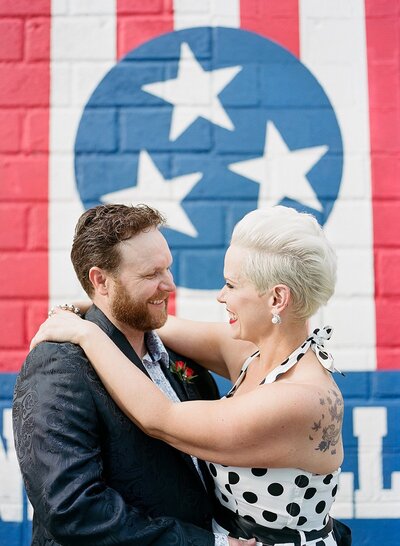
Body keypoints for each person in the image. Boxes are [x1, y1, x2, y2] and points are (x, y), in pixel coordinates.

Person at [31, 205, 351, 546]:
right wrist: (90, 304)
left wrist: (86, 334)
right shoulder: (251, 352)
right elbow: (153, 321)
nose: (221, 295)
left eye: (231, 284)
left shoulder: (300, 397)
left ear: (277, 298)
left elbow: (160, 417)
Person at [13, 204, 252, 546]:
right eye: (151, 274)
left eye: (167, 268)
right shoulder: (58, 366)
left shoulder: (185, 360)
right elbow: (72, 508)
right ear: (101, 280)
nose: (169, 285)